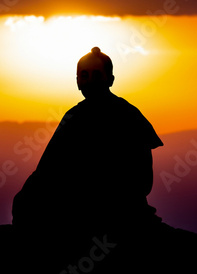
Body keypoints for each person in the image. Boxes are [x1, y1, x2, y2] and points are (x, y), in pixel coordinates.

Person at [11, 47, 164, 271]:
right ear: (77, 81)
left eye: (96, 75)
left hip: (119, 208)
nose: (90, 81)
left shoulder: (129, 116)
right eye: (84, 75)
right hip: (75, 203)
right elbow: (48, 169)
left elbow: (143, 179)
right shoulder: (74, 116)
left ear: (110, 79)